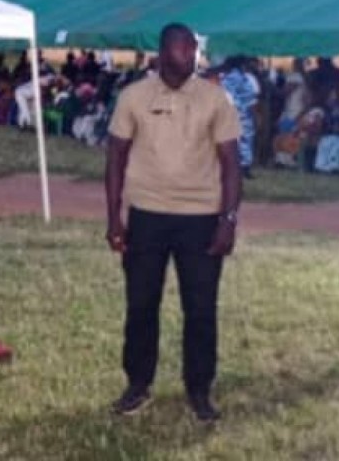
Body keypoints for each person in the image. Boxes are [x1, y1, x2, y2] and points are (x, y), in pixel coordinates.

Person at [105, 23, 242, 423]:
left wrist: (228, 220)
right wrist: (115, 217)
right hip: (146, 217)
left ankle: (199, 390)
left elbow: (232, 164)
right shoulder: (134, 96)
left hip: (201, 219)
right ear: (164, 53)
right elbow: (115, 157)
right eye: (183, 48)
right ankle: (137, 384)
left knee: (200, 310)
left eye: (194, 49)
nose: (192, 55)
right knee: (141, 304)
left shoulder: (216, 99)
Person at [219, 57, 261, 178]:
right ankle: (244, 168)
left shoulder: (225, 78)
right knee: (245, 140)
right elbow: (250, 100)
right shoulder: (244, 79)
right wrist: (256, 116)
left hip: (227, 113)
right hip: (242, 114)